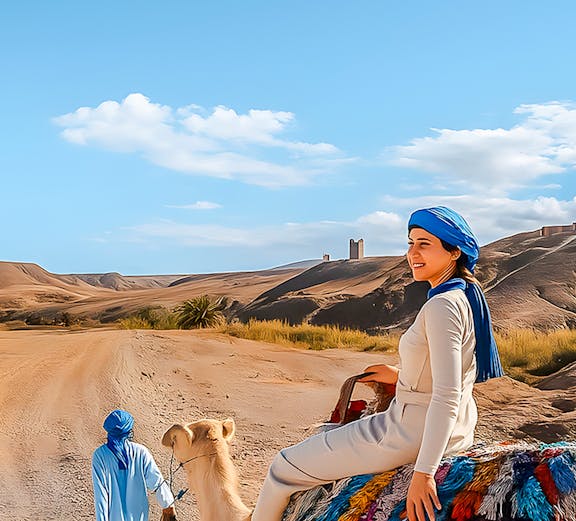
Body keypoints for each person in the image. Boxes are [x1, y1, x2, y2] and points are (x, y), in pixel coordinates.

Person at [251, 206, 504, 521]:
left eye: (425, 244)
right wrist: (400, 376)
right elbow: (446, 374)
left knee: (282, 467)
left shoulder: (442, 307)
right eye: (411, 243)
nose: (412, 253)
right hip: (455, 427)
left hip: (408, 432)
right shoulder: (464, 296)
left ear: (454, 252)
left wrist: (424, 473)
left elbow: (447, 393)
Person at [92, 409, 177, 521]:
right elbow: (157, 482)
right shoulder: (141, 452)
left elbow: (101, 496)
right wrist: (168, 505)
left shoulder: (99, 456)